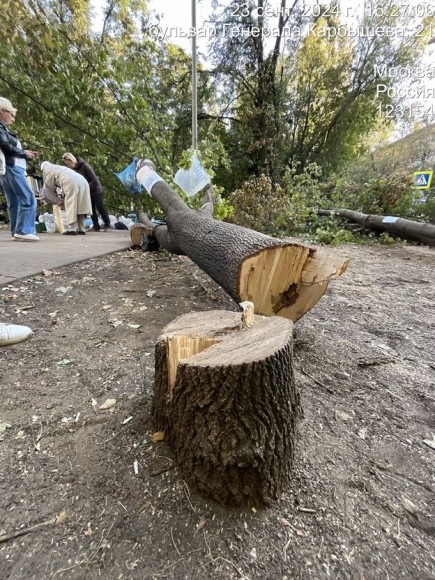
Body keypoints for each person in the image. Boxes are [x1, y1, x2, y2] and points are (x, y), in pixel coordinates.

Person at [0, 97, 40, 241]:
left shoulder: (3, 128)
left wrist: (25, 153)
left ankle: (16, 231)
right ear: (2, 111)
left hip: (7, 168)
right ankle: (24, 230)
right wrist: (24, 153)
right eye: (12, 114)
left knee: (14, 201)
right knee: (28, 198)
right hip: (12, 167)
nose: (13, 118)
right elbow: (5, 146)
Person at [62, 152, 110, 231]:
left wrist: (85, 188)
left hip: (96, 190)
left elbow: (95, 181)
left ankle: (107, 225)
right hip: (87, 191)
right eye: (67, 164)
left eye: (69, 163)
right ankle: (96, 226)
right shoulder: (73, 170)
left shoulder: (85, 166)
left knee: (100, 207)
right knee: (90, 209)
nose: (69, 166)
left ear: (73, 160)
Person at [40, 162, 92, 235]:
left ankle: (72, 229)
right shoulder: (58, 167)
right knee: (81, 205)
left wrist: (58, 201)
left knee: (71, 205)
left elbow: (48, 189)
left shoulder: (47, 170)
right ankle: (81, 228)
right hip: (83, 181)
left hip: (70, 182)